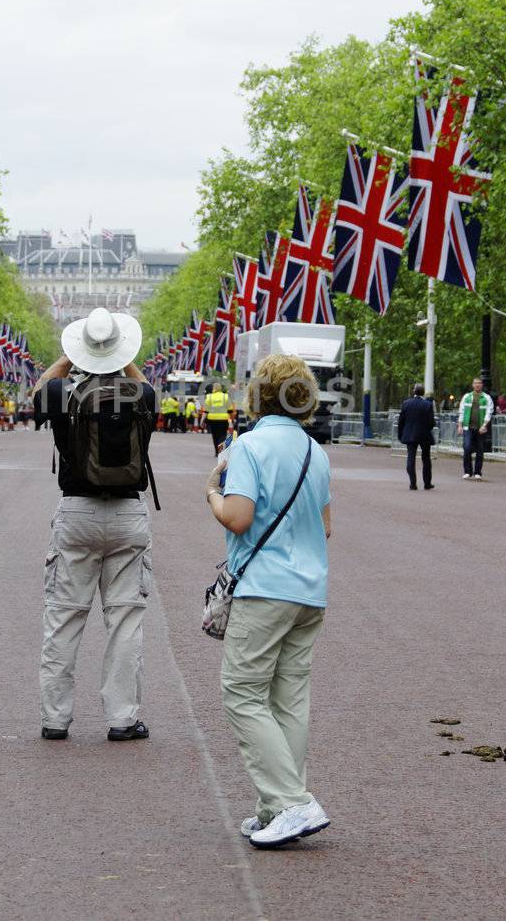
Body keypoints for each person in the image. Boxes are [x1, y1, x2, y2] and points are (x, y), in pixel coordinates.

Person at [205, 352, 333, 849]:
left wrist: (211, 493)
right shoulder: (315, 451)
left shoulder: (249, 446)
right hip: (310, 590)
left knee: (242, 693)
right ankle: (274, 808)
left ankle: (292, 802)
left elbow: (238, 517)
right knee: (289, 700)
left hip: (264, 588)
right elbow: (325, 526)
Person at [31, 307, 156, 744]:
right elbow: (143, 384)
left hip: (77, 511)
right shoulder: (141, 397)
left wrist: (70, 357)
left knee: (64, 619)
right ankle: (122, 719)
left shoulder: (63, 393)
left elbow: (39, 388)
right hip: (127, 512)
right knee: (125, 620)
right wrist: (122, 357)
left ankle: (55, 718)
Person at [397, 384, 436, 491]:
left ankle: (412, 483)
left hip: (410, 434)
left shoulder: (406, 403)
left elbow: (401, 421)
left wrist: (401, 435)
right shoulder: (428, 404)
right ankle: (427, 483)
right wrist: (426, 429)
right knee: (426, 459)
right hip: (424, 435)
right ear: (423, 392)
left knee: (411, 458)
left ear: (414, 391)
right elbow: (432, 422)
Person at [457, 377, 494, 480]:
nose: (477, 385)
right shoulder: (467, 397)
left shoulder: (487, 398)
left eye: (479, 383)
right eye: (475, 383)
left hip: (480, 428)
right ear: (473, 385)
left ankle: (478, 472)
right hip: (467, 427)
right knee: (467, 447)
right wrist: (459, 425)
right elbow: (462, 411)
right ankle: (467, 471)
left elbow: (489, 412)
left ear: (482, 385)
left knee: (480, 450)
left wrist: (484, 425)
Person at [204, 381, 232, 455]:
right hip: (223, 419)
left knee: (215, 435)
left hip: (212, 419)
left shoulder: (209, 397)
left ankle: (216, 451)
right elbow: (230, 410)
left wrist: (202, 420)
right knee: (222, 435)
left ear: (213, 388)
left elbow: (206, 410)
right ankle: (221, 451)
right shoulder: (226, 396)